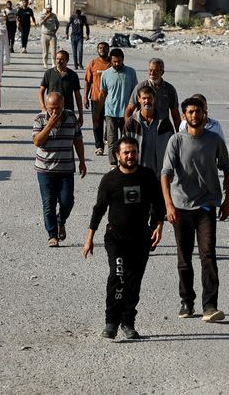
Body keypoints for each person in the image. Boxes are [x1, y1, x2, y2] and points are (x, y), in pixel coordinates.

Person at [83, 136, 164, 340]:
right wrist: (89, 238)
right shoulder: (110, 180)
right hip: (116, 239)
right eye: (126, 152)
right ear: (117, 155)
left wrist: (158, 226)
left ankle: (128, 322)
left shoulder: (147, 176)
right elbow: (99, 209)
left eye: (133, 152)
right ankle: (111, 322)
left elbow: (158, 204)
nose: (130, 156)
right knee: (117, 276)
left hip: (141, 238)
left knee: (133, 282)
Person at [161, 95, 229, 322]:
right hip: (181, 207)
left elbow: (227, 169)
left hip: (206, 206)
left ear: (205, 113)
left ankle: (210, 306)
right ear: (184, 116)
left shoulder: (214, 140)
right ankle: (187, 302)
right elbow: (165, 174)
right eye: (190, 112)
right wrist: (169, 205)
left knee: (208, 255)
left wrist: (227, 200)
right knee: (184, 258)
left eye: (198, 111)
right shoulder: (176, 141)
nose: (195, 115)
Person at [32, 92, 87, 247]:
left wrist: (82, 161)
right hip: (45, 170)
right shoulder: (40, 119)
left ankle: (60, 221)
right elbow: (37, 141)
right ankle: (52, 235)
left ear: (63, 106)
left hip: (66, 169)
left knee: (67, 201)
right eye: (51, 108)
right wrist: (49, 125)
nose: (54, 112)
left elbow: (78, 140)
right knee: (48, 203)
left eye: (57, 108)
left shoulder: (71, 117)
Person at [123, 86, 175, 178]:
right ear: (138, 99)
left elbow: (172, 149)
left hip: (159, 175)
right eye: (144, 98)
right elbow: (123, 149)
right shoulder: (131, 123)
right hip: (136, 174)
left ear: (154, 99)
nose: (147, 101)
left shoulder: (165, 123)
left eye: (149, 98)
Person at [99, 48, 138, 167]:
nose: (117, 64)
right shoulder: (105, 74)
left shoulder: (131, 72)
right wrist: (99, 112)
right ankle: (113, 164)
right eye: (114, 61)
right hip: (110, 112)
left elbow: (135, 92)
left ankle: (126, 162)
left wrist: (135, 110)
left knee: (127, 139)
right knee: (112, 140)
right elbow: (103, 93)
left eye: (119, 61)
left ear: (123, 60)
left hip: (126, 113)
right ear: (111, 60)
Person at [125, 58, 181, 128]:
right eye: (150, 70)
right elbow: (130, 109)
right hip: (143, 127)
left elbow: (175, 113)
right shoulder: (140, 87)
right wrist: (128, 127)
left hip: (163, 128)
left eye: (156, 71)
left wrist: (179, 133)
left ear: (162, 72)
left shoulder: (169, 89)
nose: (152, 73)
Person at [39, 50, 83, 128]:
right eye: (57, 59)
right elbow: (41, 91)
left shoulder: (73, 75)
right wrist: (43, 107)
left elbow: (78, 96)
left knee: (68, 133)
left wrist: (81, 114)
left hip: (68, 111)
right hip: (52, 111)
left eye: (62, 59)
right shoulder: (49, 73)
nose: (59, 61)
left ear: (67, 60)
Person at [84, 42, 111, 156]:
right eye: (100, 48)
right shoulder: (93, 63)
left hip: (111, 99)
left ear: (108, 50)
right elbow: (88, 81)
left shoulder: (112, 63)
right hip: (96, 98)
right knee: (97, 123)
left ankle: (107, 139)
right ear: (97, 50)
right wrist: (85, 97)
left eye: (104, 48)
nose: (102, 49)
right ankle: (99, 146)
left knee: (110, 122)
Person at [39, 5, 60, 69]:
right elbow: (40, 23)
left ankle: (53, 63)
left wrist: (55, 30)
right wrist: (46, 18)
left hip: (52, 35)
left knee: (53, 50)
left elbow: (57, 24)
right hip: (44, 35)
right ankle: (45, 63)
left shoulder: (54, 15)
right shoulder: (43, 15)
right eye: (48, 8)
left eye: (51, 8)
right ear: (46, 9)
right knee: (45, 50)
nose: (50, 10)